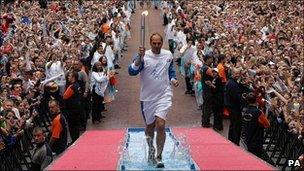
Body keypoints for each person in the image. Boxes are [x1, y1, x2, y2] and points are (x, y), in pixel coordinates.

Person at [128, 33, 179, 168]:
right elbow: (131, 71)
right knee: (150, 126)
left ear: (162, 43)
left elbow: (170, 71)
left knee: (161, 124)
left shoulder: (168, 55)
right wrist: (140, 58)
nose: (156, 46)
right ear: (150, 43)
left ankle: (159, 156)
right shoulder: (143, 56)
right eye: (154, 43)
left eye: (159, 43)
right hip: (147, 98)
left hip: (164, 94)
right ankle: (151, 149)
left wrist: (173, 79)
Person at [241, 92, 270, 158]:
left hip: (248, 138)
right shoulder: (258, 112)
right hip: (257, 139)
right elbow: (267, 124)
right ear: (256, 100)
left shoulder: (245, 111)